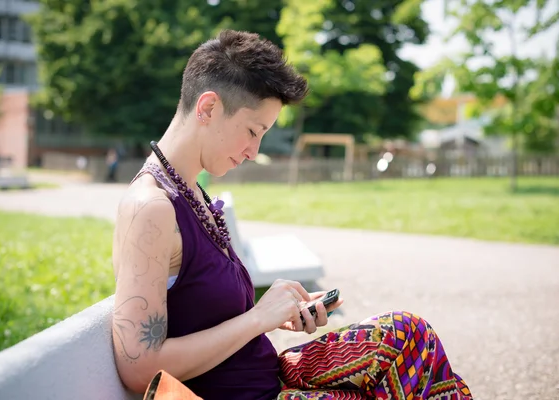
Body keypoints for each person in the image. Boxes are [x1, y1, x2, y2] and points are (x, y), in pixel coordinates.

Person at [111, 30, 472, 400]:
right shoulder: (151, 209)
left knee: (407, 333)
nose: (253, 151)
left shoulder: (190, 194)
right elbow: (139, 368)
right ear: (207, 108)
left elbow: (203, 310)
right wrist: (256, 320)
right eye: (253, 131)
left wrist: (279, 314)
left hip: (271, 378)